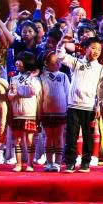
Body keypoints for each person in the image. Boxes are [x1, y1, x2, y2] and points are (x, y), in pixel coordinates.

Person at [59, 37, 103, 172]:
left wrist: (98, 106)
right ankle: (70, 162)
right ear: (85, 49)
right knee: (71, 135)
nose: (96, 51)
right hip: (73, 105)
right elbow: (61, 56)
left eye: (99, 49)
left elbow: (101, 90)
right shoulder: (76, 62)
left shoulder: (101, 69)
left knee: (88, 136)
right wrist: (61, 43)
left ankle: (86, 162)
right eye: (93, 48)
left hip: (89, 106)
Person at [38, 44, 72, 172]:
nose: (58, 64)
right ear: (46, 63)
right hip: (47, 112)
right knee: (48, 137)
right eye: (55, 62)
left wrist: (68, 110)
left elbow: (68, 93)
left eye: (59, 61)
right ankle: (49, 162)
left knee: (58, 137)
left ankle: (57, 162)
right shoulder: (41, 77)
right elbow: (39, 95)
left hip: (60, 112)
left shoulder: (63, 76)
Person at [9, 53, 41, 171]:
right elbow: (10, 97)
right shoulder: (14, 78)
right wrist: (13, 92)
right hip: (17, 113)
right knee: (17, 140)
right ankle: (18, 164)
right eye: (17, 60)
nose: (17, 63)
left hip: (30, 113)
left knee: (30, 140)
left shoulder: (35, 79)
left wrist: (30, 79)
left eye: (20, 61)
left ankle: (30, 164)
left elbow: (34, 91)